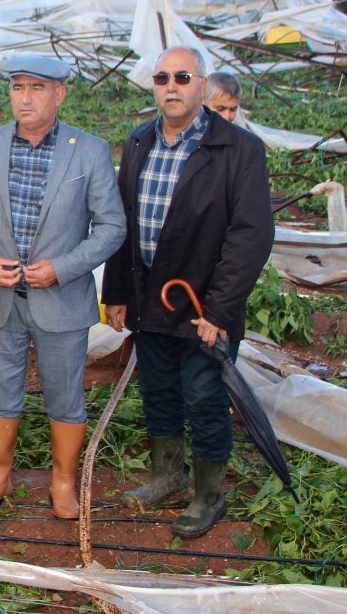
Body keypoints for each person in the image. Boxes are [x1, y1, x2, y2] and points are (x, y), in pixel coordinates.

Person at [101, 46, 273, 538]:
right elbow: (124, 224)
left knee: (204, 396)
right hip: (151, 298)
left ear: (202, 85)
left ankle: (208, 494)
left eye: (182, 76)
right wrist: (118, 291)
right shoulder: (139, 142)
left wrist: (219, 308)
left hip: (202, 306)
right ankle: (166, 475)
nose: (170, 86)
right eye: (161, 78)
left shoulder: (237, 150)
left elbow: (250, 236)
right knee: (159, 391)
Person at [0, 55, 126, 519]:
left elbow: (111, 227)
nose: (25, 98)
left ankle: (63, 481)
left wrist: (63, 268)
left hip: (61, 300)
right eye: (17, 88)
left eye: (37, 88)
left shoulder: (87, 151)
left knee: (64, 392)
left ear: (59, 94)